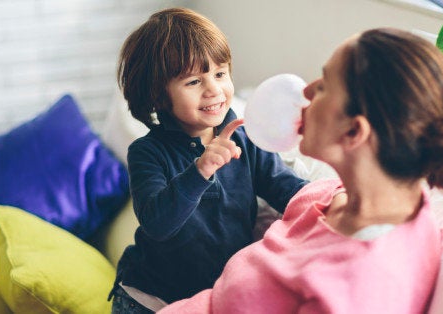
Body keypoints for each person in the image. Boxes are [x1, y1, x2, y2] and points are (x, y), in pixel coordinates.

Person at [159, 28, 443, 313]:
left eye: (326, 84)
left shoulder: (362, 281)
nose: (306, 90)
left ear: (352, 132)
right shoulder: (327, 195)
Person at [108, 7, 309, 313]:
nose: (214, 89)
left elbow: (283, 186)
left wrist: (328, 201)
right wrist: (200, 170)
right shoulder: (147, 152)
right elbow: (158, 224)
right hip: (150, 299)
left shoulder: (245, 135)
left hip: (215, 297)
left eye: (219, 73)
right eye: (193, 82)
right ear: (158, 95)